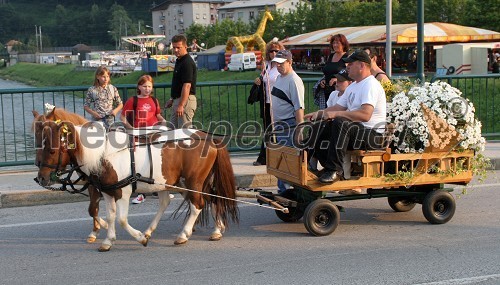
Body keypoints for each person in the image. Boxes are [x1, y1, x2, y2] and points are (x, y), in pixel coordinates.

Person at [305, 50, 386, 184]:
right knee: (321, 124)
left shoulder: (370, 85)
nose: (346, 67)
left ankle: (335, 170)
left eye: (350, 64)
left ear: (362, 66)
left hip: (372, 135)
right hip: (356, 131)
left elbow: (365, 115)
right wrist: (317, 115)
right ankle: (317, 164)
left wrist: (335, 114)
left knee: (340, 121)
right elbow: (337, 108)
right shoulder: (353, 86)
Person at [120, 74, 167, 204]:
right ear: (139, 87)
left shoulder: (154, 100)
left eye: (150, 86)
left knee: (157, 161)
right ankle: (141, 192)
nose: (147, 89)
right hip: (139, 135)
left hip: (153, 134)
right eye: (144, 86)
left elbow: (157, 115)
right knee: (141, 162)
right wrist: (131, 129)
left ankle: (159, 187)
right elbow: (122, 117)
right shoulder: (133, 100)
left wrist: (163, 121)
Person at [270, 49, 305, 193]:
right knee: (281, 159)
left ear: (289, 63)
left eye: (281, 63)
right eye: (276, 63)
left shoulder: (294, 81)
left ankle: (287, 191)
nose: (278, 66)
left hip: (288, 125)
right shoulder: (280, 78)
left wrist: (299, 129)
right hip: (280, 124)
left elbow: (299, 107)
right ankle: (283, 190)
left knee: (287, 161)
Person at [252, 38, 285, 166]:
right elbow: (265, 80)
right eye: (271, 51)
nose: (274, 53)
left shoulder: (281, 67)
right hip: (267, 103)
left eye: (277, 51)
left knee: (278, 130)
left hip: (278, 103)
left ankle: (274, 157)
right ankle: (264, 157)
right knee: (268, 130)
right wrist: (259, 81)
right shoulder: (267, 65)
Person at [165, 34, 197, 129]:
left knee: (184, 135)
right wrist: (172, 99)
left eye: (178, 47)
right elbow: (178, 83)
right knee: (172, 131)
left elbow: (187, 85)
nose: (175, 50)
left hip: (185, 101)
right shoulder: (180, 60)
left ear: (185, 46)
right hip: (178, 100)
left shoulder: (187, 62)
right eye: (174, 47)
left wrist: (181, 105)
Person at [314, 34, 349, 109]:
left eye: (337, 43)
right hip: (326, 90)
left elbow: (350, 73)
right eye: (334, 43)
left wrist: (338, 79)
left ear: (343, 44)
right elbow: (327, 71)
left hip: (339, 91)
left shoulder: (347, 57)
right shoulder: (331, 56)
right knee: (326, 112)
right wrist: (323, 80)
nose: (335, 45)